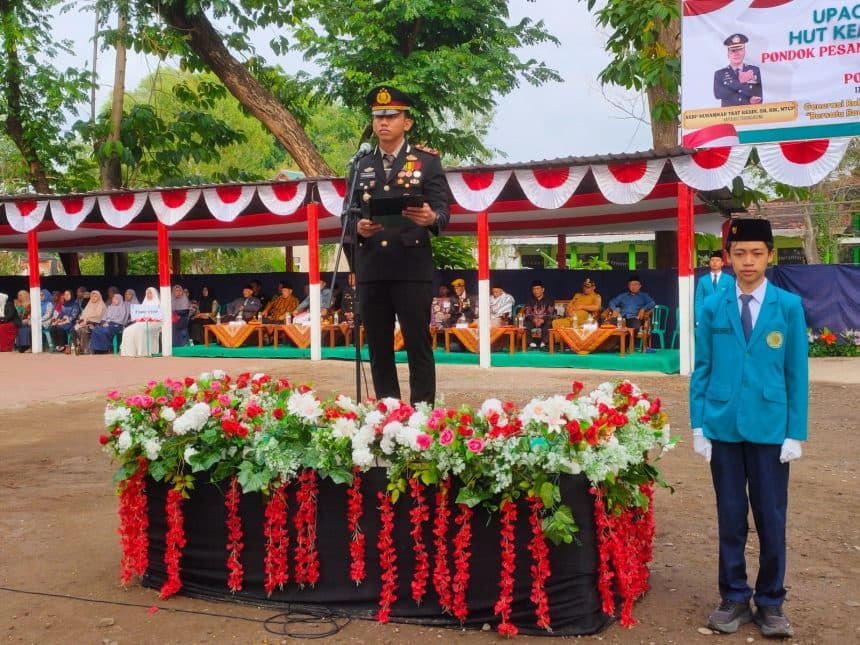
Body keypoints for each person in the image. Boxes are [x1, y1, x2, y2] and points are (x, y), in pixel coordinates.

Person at [689, 218, 807, 638]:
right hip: (722, 425)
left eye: (757, 253)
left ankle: (771, 601)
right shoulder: (712, 306)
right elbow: (703, 367)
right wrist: (698, 425)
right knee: (731, 515)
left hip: (771, 427)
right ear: (728, 258)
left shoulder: (788, 306)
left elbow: (796, 373)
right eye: (739, 253)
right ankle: (734, 597)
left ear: (770, 256)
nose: (748, 261)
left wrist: (795, 432)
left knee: (771, 516)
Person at [349, 84, 450, 405]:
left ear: (406, 122)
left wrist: (431, 218)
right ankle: (387, 413)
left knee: (417, 345)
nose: (383, 122)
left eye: (391, 116)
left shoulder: (426, 161)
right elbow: (347, 215)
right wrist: (358, 228)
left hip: (411, 268)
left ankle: (422, 415)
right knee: (379, 348)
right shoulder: (361, 164)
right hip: (372, 269)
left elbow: (444, 211)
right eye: (378, 116)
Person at [713, 33, 763, 107]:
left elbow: (758, 96)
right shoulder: (720, 74)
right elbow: (718, 95)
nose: (737, 54)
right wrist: (740, 82)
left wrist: (755, 100)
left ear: (744, 52)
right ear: (728, 54)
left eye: (739, 50)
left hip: (749, 112)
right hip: (729, 113)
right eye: (733, 51)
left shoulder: (754, 70)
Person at [120, 287, 163, 357]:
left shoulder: (158, 303)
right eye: (147, 293)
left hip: (154, 323)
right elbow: (139, 316)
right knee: (127, 331)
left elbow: (160, 317)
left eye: (150, 293)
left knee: (140, 330)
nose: (148, 295)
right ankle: (130, 352)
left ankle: (141, 352)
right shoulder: (144, 303)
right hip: (142, 323)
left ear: (154, 294)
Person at [695, 251, 735, 323]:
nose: (715, 262)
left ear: (722, 263)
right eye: (712, 260)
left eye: (717, 260)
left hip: (724, 318)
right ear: (709, 263)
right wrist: (699, 319)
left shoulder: (729, 279)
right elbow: (699, 301)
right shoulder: (702, 280)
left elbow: (732, 299)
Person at [522, 280, 555, 349]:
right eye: (533, 289)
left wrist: (543, 320)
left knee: (549, 322)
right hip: (533, 321)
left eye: (537, 289)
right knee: (525, 323)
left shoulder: (549, 301)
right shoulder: (529, 301)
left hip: (544, 321)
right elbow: (527, 313)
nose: (535, 291)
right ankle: (531, 343)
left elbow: (551, 313)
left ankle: (544, 343)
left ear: (543, 290)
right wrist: (533, 319)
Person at [72, 289, 107, 354]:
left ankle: (86, 349)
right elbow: (83, 315)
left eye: (95, 296)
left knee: (84, 329)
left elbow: (99, 318)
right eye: (92, 296)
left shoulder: (102, 306)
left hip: (97, 324)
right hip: (86, 323)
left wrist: (87, 322)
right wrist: (81, 322)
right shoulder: (89, 305)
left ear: (99, 297)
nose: (93, 298)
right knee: (75, 328)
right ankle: (77, 348)